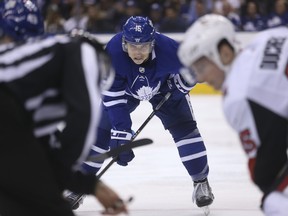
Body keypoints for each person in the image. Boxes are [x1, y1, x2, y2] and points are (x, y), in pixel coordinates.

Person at [68, 15, 215, 212]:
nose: (138, 52)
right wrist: (121, 133)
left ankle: (201, 182)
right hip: (126, 92)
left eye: (144, 46)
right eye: (132, 46)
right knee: (101, 133)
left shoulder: (167, 49)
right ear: (124, 42)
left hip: (165, 88)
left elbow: (199, 67)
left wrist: (181, 85)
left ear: (152, 43)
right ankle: (78, 187)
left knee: (185, 129)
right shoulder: (112, 52)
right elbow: (113, 98)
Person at [0, 0, 128, 215]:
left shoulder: (29, 87)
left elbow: (38, 148)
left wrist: (90, 185)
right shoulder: (81, 51)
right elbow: (83, 116)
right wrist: (66, 169)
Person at [178, 14, 288, 216]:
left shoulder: (238, 96)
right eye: (195, 70)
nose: (200, 78)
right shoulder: (267, 37)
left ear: (225, 53)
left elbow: (265, 172)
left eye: (202, 67)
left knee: (273, 200)